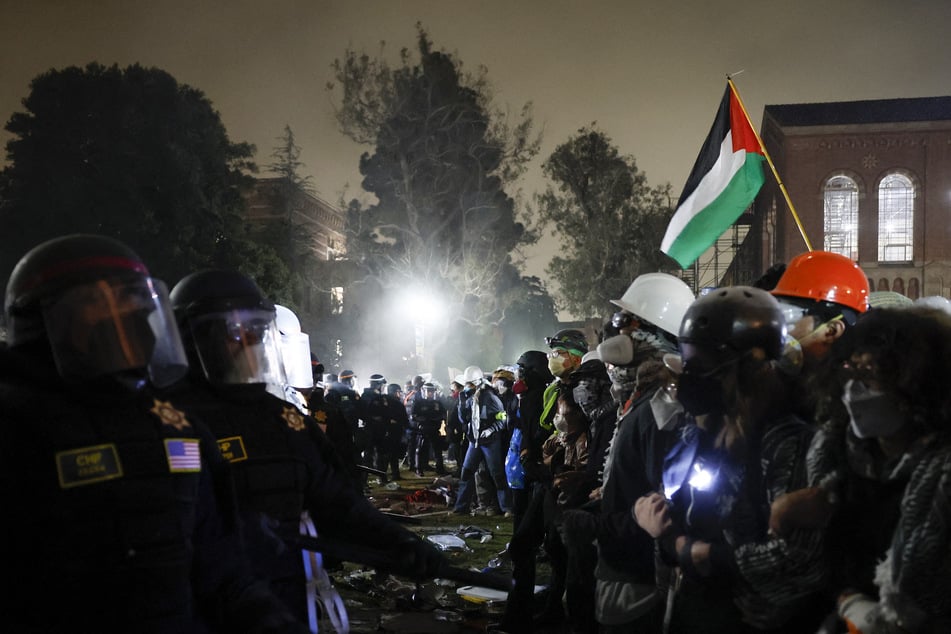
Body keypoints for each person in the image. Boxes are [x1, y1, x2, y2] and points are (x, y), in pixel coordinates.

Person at [0, 234, 304, 632]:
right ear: (40, 319)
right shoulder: (13, 426)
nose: (125, 315)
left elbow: (220, 568)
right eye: (100, 301)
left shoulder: (173, 425)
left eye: (133, 301)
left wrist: (268, 619)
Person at [167, 269, 446, 628]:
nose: (249, 342)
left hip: (283, 604)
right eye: (235, 332)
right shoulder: (167, 424)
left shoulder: (283, 419)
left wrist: (398, 544)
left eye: (257, 330)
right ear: (193, 339)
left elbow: (339, 504)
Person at [634, 286, 828, 633]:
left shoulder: (788, 442)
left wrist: (700, 554)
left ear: (752, 366)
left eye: (706, 367)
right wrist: (658, 522)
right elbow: (687, 511)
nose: (692, 380)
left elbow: (796, 558)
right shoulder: (703, 432)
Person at [452, 365, 512, 515]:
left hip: (490, 441)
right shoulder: (469, 398)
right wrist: (461, 402)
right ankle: (461, 507)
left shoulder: (490, 397)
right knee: (466, 472)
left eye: (470, 383)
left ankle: (507, 508)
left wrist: (491, 429)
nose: (467, 386)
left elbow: (503, 418)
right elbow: (463, 419)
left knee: (497, 474)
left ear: (478, 382)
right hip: (475, 441)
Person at [413, 381, 448, 476]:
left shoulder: (437, 403)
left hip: (435, 428)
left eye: (431, 391)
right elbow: (414, 416)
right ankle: (418, 469)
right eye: (428, 391)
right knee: (420, 449)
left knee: (438, 450)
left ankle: (440, 469)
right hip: (423, 429)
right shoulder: (419, 403)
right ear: (423, 391)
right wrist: (423, 420)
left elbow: (443, 415)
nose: (430, 393)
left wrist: (442, 426)